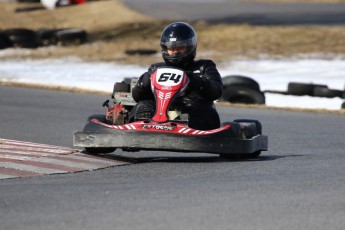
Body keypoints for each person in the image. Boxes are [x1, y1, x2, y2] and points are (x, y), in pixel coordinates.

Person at [130, 22, 223, 130]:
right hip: (159, 112)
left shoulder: (204, 66)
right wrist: (144, 81)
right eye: (171, 48)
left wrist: (197, 81)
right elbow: (138, 97)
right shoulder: (156, 69)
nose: (175, 52)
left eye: (180, 47)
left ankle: (188, 127)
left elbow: (217, 91)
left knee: (206, 112)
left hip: (192, 110)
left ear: (189, 47)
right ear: (165, 48)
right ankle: (140, 127)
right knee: (143, 105)